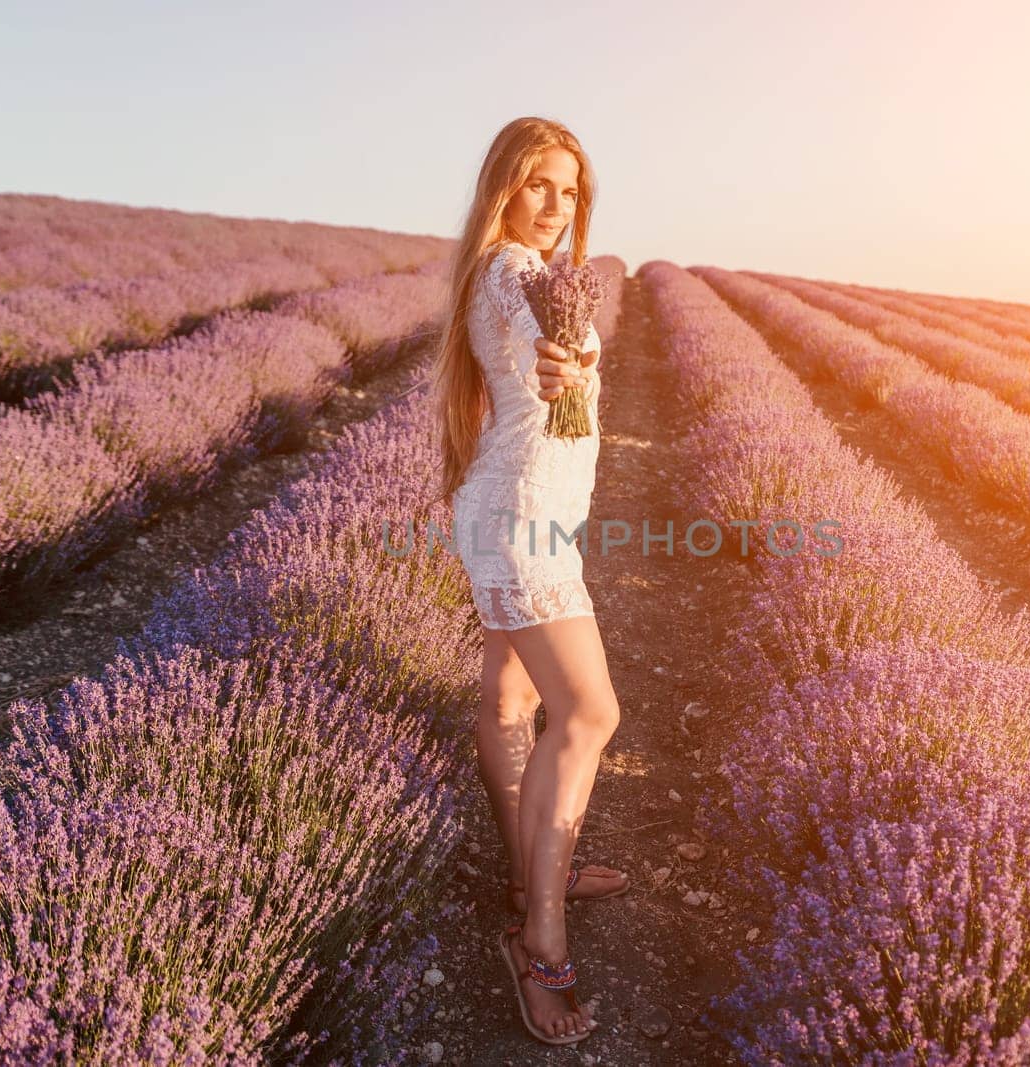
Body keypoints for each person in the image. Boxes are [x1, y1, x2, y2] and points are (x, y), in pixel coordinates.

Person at [429, 116, 628, 1046]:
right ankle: (538, 938)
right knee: (589, 715)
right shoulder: (515, 277)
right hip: (522, 530)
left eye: (571, 189)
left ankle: (530, 871)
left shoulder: (518, 275)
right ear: (504, 188)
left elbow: (557, 355)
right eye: (540, 184)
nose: (556, 205)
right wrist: (562, 362)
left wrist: (568, 353)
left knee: (509, 698)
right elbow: (545, 353)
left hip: (521, 513)